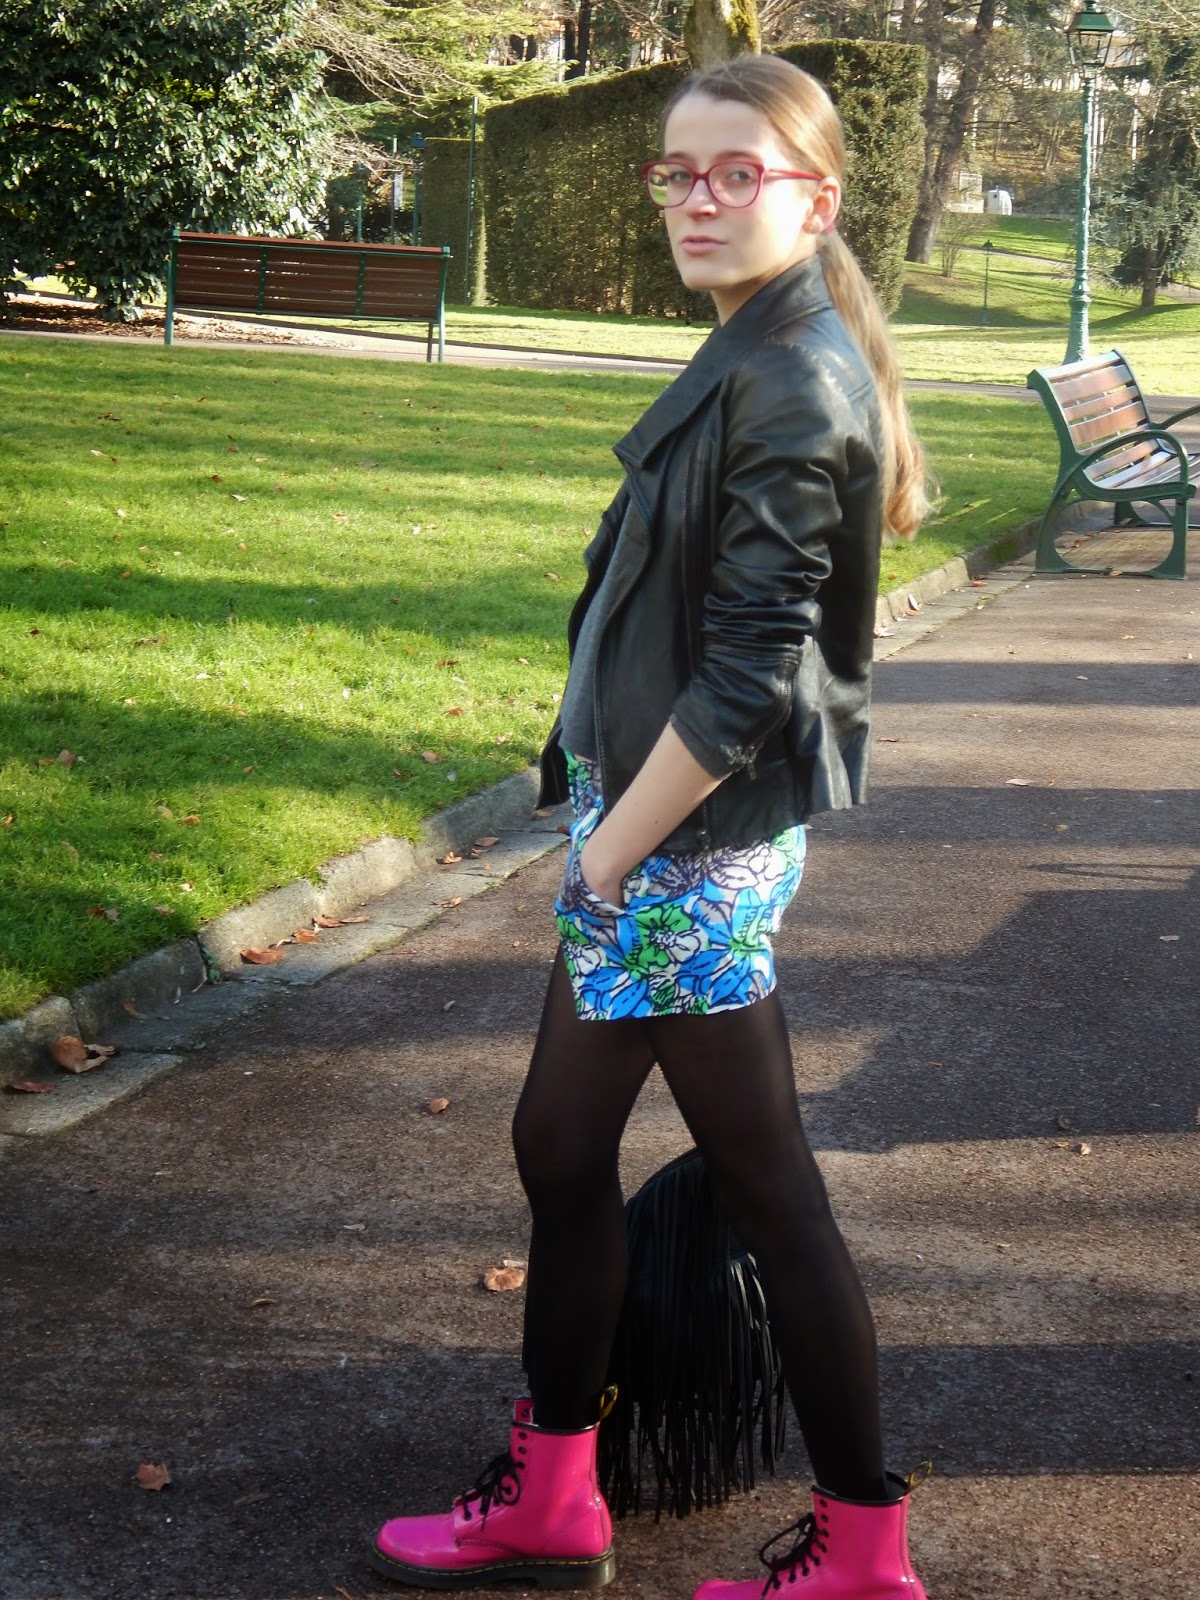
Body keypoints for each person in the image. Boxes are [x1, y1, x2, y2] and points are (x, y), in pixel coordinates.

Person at [370, 53, 930, 1600]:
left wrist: (613, 852)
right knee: (561, 1145)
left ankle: (861, 1546)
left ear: (816, 199)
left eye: (737, 172)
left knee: (768, 1187)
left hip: (683, 843)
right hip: (663, 831)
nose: (697, 198)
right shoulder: (760, 344)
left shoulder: (794, 377)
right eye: (677, 170)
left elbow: (749, 675)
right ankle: (558, 1492)